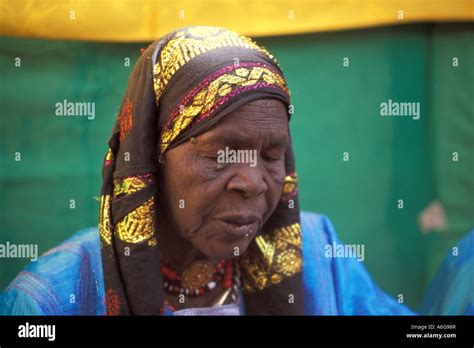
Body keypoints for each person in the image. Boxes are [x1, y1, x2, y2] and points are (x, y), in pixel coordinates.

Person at [1, 26, 472, 315]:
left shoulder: (317, 254)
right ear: (149, 160)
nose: (252, 183)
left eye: (272, 155)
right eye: (222, 152)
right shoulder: (53, 298)